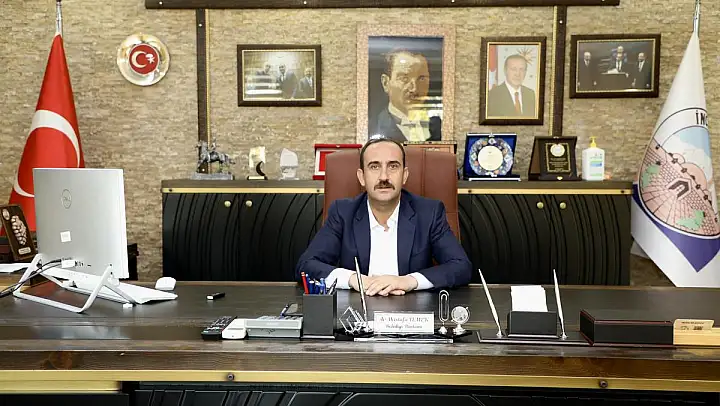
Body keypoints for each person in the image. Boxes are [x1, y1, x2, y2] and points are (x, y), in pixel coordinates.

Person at [295, 137, 472, 296]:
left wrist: (409, 281)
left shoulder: (429, 212)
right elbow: (306, 265)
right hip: (356, 310)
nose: (384, 177)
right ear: (361, 177)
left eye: (393, 166)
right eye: (374, 167)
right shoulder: (343, 212)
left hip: (412, 312)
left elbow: (461, 266)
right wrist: (354, 279)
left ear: (405, 175)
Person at [373, 49, 436, 142]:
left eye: (421, 79)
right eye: (404, 78)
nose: (414, 89)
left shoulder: (438, 126)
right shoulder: (373, 127)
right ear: (386, 83)